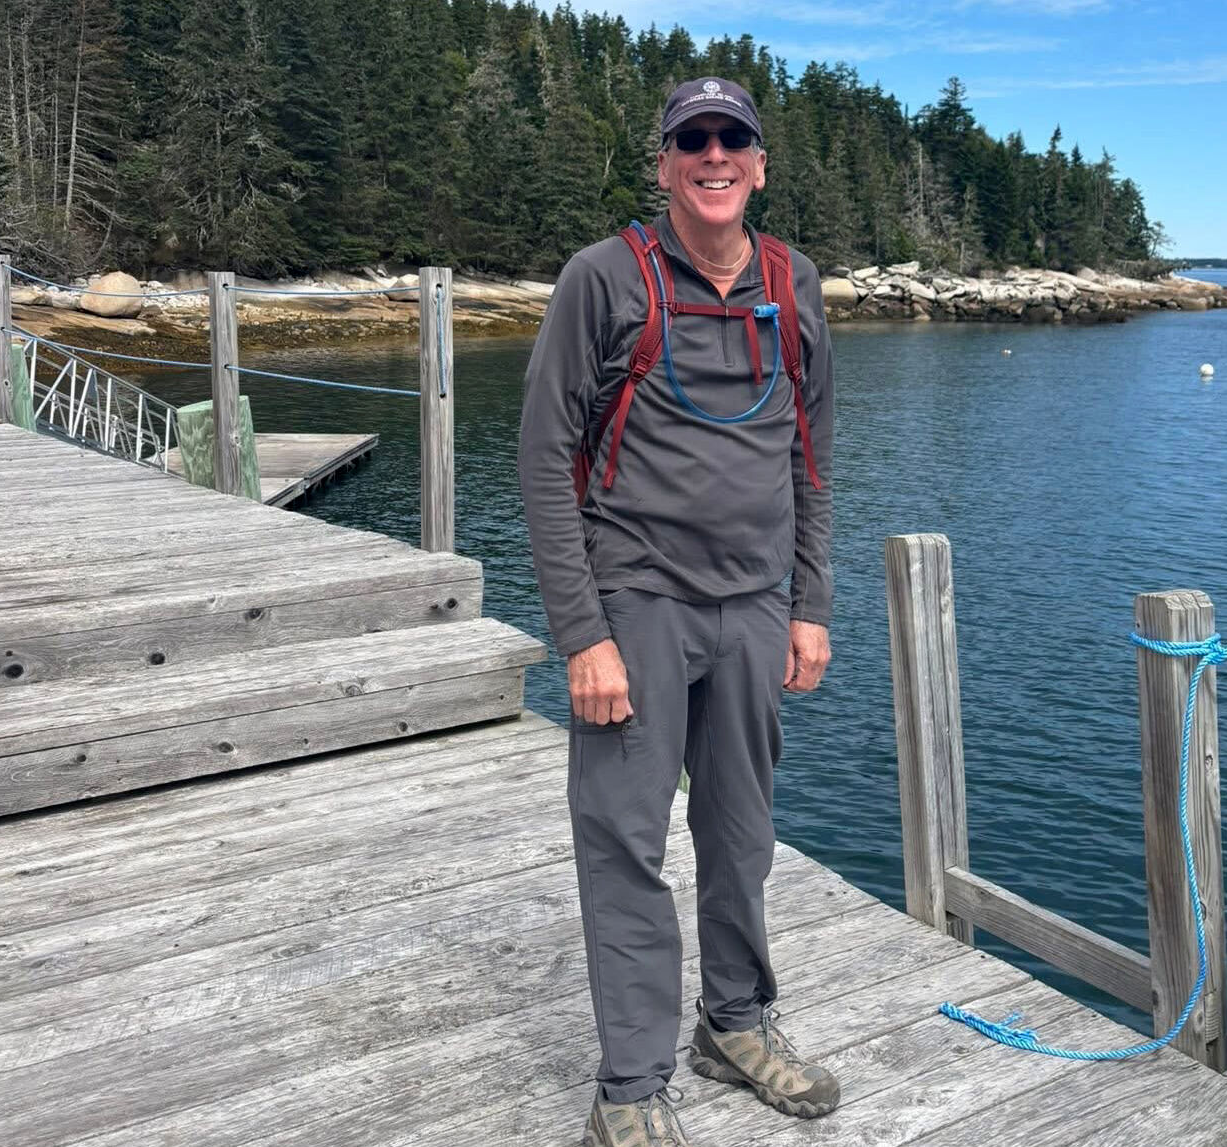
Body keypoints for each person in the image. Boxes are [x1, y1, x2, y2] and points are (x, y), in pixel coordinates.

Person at [518, 76, 839, 1146]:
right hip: (639, 605)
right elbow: (544, 459)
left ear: (759, 163)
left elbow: (812, 457)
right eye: (691, 140)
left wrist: (810, 603)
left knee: (743, 836)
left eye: (732, 140)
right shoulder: (601, 280)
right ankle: (629, 1084)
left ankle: (735, 1023)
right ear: (662, 164)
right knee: (623, 844)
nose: (713, 156)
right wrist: (584, 634)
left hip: (754, 609)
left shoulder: (795, 286)